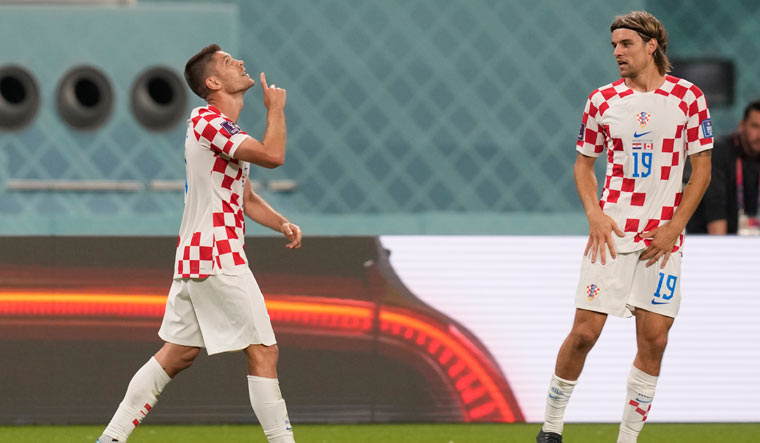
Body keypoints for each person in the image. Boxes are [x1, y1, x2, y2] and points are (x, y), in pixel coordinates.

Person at [97, 44, 301, 443]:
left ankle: (112, 437)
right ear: (212, 82)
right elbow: (274, 155)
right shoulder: (207, 120)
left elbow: (244, 198)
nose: (240, 62)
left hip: (197, 256)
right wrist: (275, 108)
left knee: (177, 354)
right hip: (217, 255)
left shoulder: (221, 130)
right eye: (227, 62)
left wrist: (281, 223)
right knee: (263, 350)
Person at [536, 11, 712, 443]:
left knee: (654, 341)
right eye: (614, 44)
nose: (617, 52)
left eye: (625, 44)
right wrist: (594, 214)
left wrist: (675, 228)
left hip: (662, 241)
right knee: (583, 334)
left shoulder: (688, 97)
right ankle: (550, 429)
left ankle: (628, 438)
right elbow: (583, 165)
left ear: (652, 46)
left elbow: (701, 171)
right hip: (612, 236)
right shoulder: (602, 101)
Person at [686, 99, 760, 234]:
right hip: (706, 241)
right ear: (742, 126)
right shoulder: (720, 152)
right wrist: (722, 251)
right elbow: (715, 207)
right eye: (755, 126)